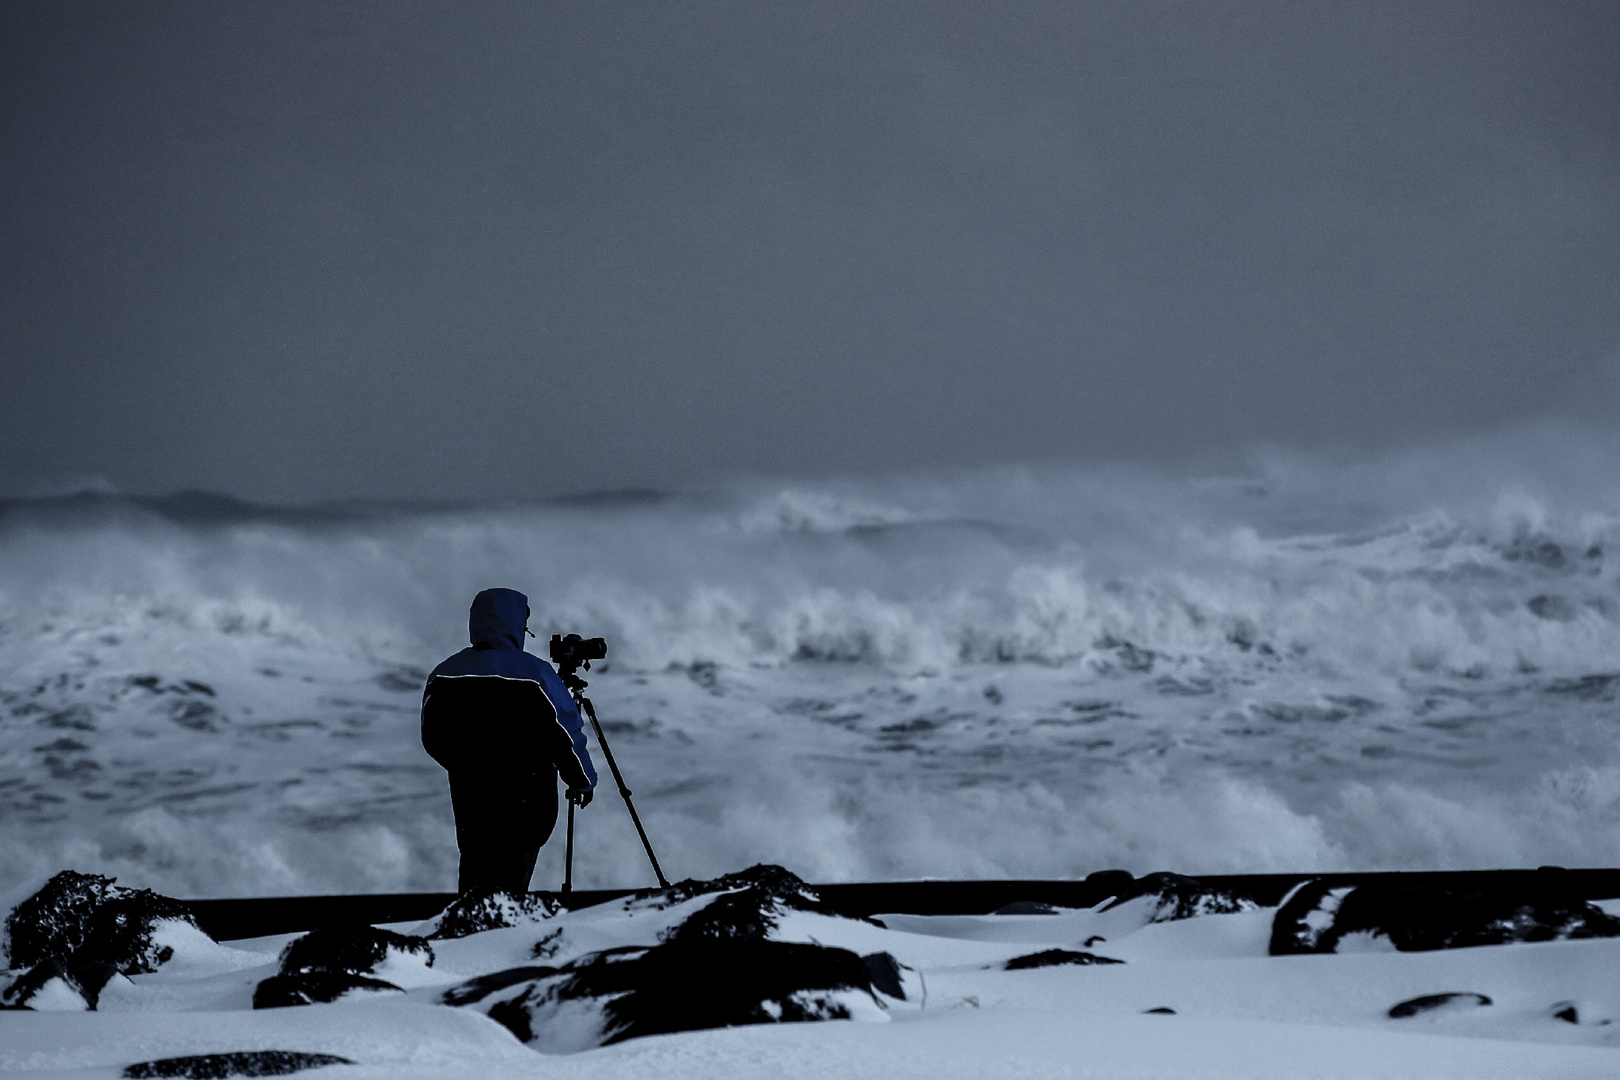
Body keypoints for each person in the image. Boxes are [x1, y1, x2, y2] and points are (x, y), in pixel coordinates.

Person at [421, 588, 598, 894]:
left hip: (471, 800)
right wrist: (582, 781)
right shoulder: (535, 674)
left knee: (475, 881)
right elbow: (566, 734)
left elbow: (432, 737)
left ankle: (467, 933)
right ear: (516, 625)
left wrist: (468, 765)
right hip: (527, 804)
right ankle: (499, 935)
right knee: (512, 885)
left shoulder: (444, 675)